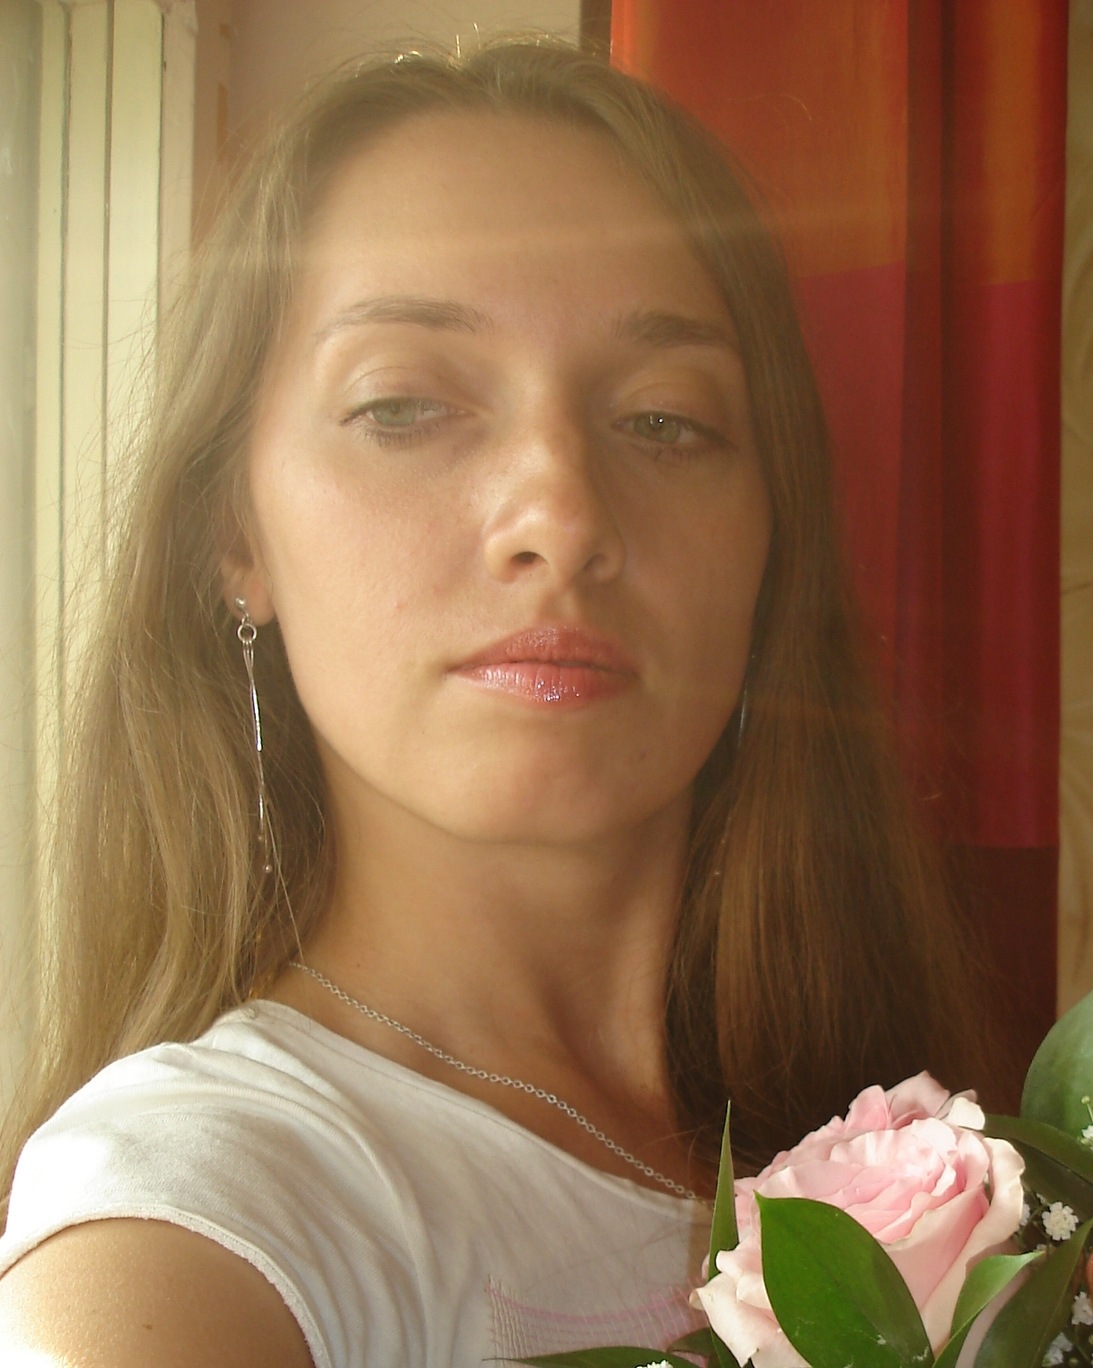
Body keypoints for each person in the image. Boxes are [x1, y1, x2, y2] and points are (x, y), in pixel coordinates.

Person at [0, 37, 997, 1368]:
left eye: (665, 420)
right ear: (234, 535)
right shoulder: (192, 1226)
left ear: (771, 543)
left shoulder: (907, 1152)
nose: (563, 516)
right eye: (405, 406)